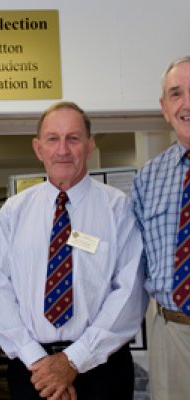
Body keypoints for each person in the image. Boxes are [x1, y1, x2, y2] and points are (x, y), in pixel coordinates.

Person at [0, 101, 148, 400]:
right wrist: (40, 363)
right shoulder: (14, 211)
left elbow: (128, 292)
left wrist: (72, 360)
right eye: (53, 139)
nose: (63, 149)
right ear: (38, 148)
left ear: (89, 145)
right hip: (31, 370)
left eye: (73, 138)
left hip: (102, 368)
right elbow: (0, 290)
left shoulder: (118, 208)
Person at [132, 55, 190, 400]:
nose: (186, 104)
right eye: (176, 93)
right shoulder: (149, 177)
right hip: (171, 331)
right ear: (164, 108)